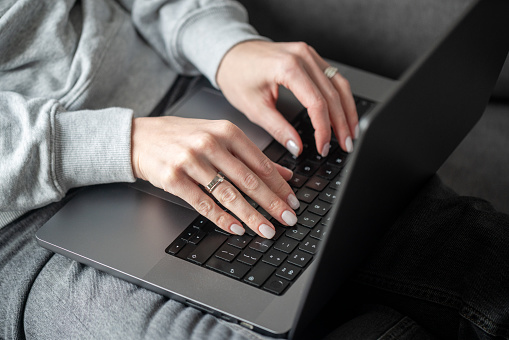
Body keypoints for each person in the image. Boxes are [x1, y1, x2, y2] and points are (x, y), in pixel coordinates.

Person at [1, 1, 508, 339]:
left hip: (188, 94)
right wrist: (118, 142)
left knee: (462, 246)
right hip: (28, 210)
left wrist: (225, 46)